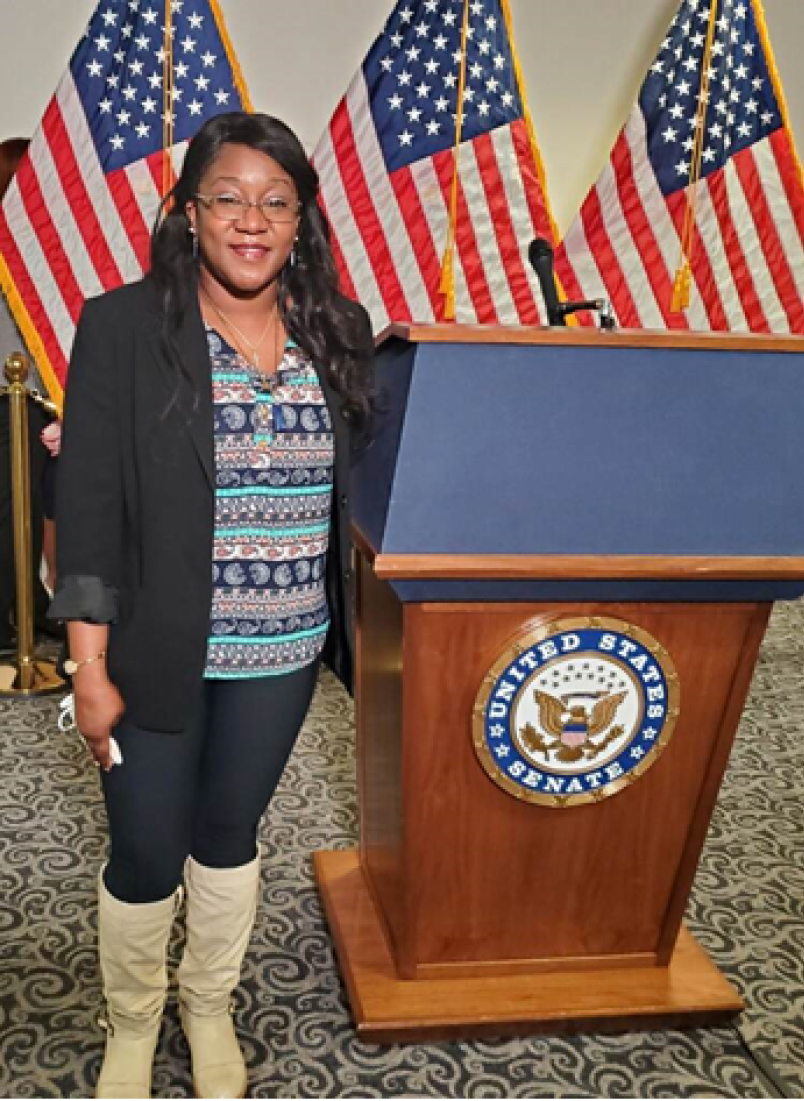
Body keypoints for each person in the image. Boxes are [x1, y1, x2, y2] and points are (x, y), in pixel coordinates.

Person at [48, 112, 373, 1100]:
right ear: (188, 213)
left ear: (301, 219)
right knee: (146, 849)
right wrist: (90, 669)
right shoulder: (121, 327)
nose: (251, 220)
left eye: (275, 202)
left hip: (281, 651)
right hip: (150, 648)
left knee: (228, 837)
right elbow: (90, 510)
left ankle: (209, 1004)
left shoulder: (341, 332)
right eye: (227, 197)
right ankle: (134, 1023)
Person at [0, 136, 58, 653]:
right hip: (8, 397)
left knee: (37, 507)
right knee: (10, 508)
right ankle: (5, 619)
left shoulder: (35, 242)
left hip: (38, 398)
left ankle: (31, 607)